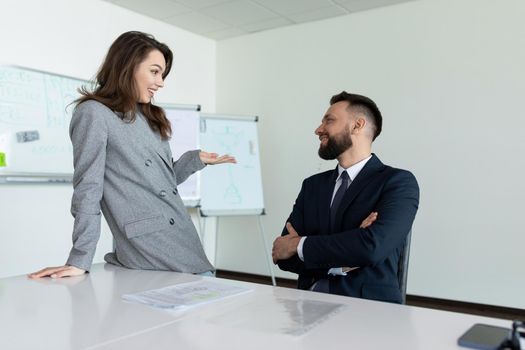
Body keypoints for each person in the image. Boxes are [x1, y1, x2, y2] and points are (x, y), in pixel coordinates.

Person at [29, 31, 235, 279]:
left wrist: (195, 159)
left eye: (162, 74)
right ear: (129, 66)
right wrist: (80, 258)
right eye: (155, 71)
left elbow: (162, 182)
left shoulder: (151, 117)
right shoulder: (94, 113)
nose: (161, 82)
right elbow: (88, 188)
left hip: (184, 237)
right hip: (149, 249)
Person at [272, 91, 419, 304]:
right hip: (307, 306)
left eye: (329, 120)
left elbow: (371, 248)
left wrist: (300, 245)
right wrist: (348, 251)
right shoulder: (313, 185)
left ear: (357, 125)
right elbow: (282, 255)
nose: (318, 129)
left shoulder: (397, 182)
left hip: (369, 312)